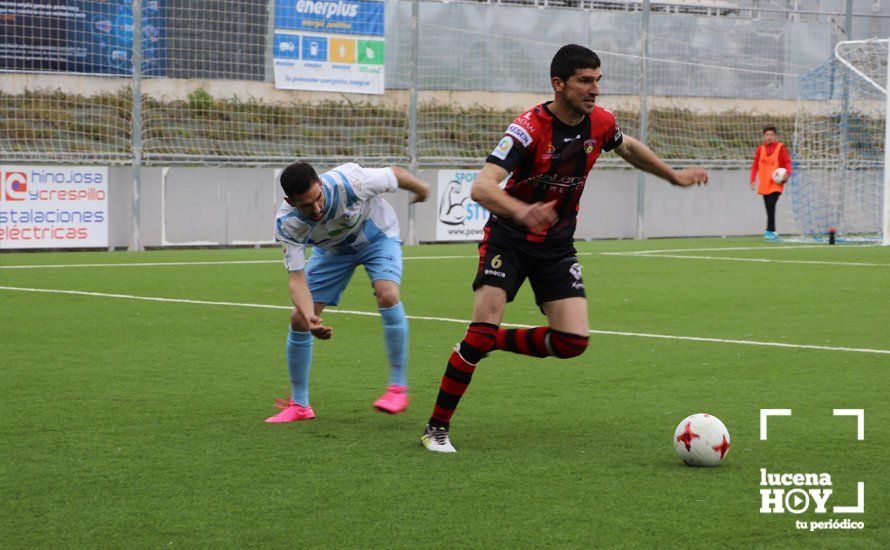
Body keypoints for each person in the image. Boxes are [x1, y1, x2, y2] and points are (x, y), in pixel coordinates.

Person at [420, 44, 709, 453]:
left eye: (597, 80)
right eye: (585, 81)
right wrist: (522, 211)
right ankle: (437, 427)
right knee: (482, 324)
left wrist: (673, 176)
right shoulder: (528, 128)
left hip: (556, 244)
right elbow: (482, 187)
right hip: (509, 238)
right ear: (559, 84)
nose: (594, 90)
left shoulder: (601, 123)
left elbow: (628, 148)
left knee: (572, 342)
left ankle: (489, 342)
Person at [266, 161, 429, 423]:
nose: (316, 209)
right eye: (306, 205)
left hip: (377, 238)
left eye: (318, 198)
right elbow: (296, 279)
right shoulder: (288, 223)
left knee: (387, 293)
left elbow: (394, 174)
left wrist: (421, 189)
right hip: (333, 252)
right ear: (290, 201)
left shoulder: (349, 182)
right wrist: (311, 318)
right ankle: (299, 405)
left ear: (320, 183)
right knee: (298, 320)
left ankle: (398, 388)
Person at [749, 125, 792, 240]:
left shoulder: (780, 148)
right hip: (764, 184)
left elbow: (787, 162)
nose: (769, 137)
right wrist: (752, 180)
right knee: (768, 207)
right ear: (764, 136)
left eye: (771, 135)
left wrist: (788, 173)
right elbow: (755, 166)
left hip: (776, 183)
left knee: (770, 204)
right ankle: (771, 231)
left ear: (775, 136)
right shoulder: (760, 149)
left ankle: (770, 230)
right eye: (767, 135)